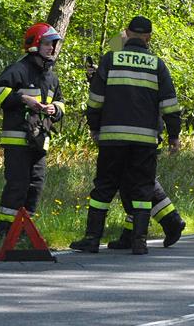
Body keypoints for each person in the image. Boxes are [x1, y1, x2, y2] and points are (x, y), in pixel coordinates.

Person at [70, 16, 181, 255]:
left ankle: (91, 239)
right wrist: (174, 135)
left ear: (127, 33)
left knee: (104, 187)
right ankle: (138, 241)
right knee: (142, 189)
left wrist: (94, 127)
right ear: (149, 37)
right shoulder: (157, 64)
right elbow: (170, 105)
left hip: (113, 138)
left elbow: (95, 100)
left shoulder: (110, 60)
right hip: (144, 141)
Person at [0, 23, 64, 237]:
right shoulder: (18, 69)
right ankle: (4, 232)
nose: (52, 48)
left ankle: (23, 232)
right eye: (48, 44)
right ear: (35, 45)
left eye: (54, 44)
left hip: (40, 141)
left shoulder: (51, 77)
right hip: (17, 140)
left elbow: (61, 103)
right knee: (17, 186)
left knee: (35, 186)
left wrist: (54, 109)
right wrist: (23, 99)